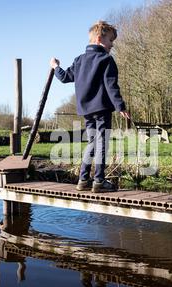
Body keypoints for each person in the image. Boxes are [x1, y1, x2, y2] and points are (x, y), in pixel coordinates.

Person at [51, 20, 130, 193]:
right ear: (100, 39)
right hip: (102, 109)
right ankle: (99, 181)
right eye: (110, 40)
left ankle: (83, 179)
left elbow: (65, 77)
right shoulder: (106, 60)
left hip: (86, 110)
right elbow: (111, 85)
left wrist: (56, 67)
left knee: (92, 142)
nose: (112, 45)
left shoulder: (79, 60)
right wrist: (120, 106)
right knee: (102, 143)